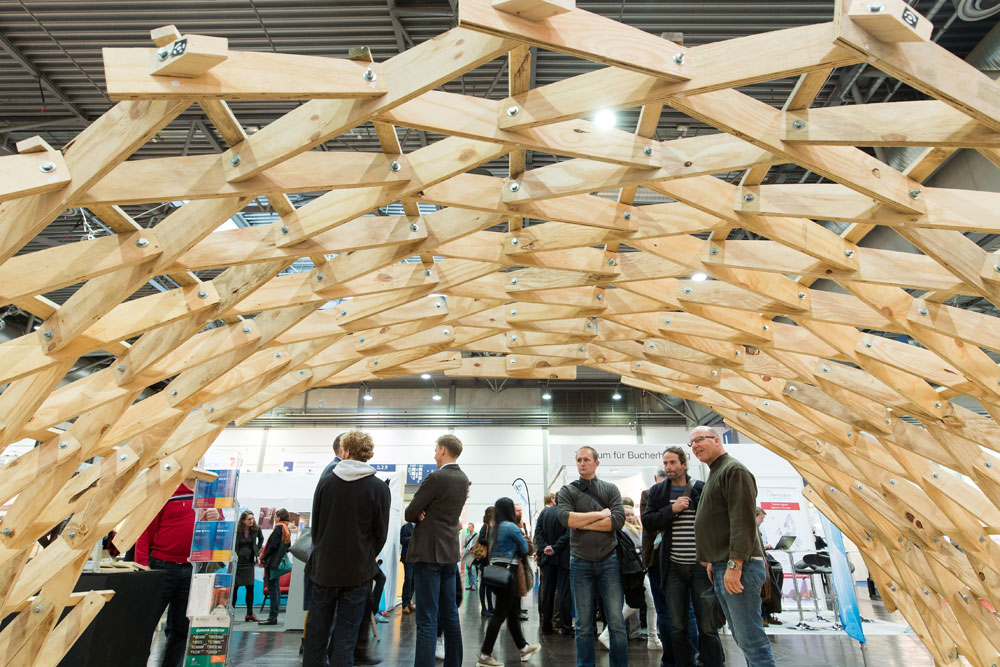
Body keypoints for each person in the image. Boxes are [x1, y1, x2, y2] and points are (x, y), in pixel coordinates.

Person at [303, 430, 391, 667]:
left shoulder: (326, 482)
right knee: (346, 637)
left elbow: (317, 526)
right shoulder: (379, 488)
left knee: (316, 634)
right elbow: (380, 534)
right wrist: (365, 554)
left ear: (346, 451)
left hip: (324, 569)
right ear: (367, 454)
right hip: (358, 572)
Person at [691, 426, 776, 667]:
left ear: (717, 441)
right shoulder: (716, 472)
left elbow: (742, 521)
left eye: (700, 439)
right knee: (743, 637)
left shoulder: (733, 470)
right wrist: (713, 560)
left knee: (751, 639)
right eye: (692, 443)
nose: (695, 446)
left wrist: (734, 563)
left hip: (740, 566)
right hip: (722, 564)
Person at [643, 447, 720, 667]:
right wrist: (672, 510)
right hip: (673, 566)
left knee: (707, 625)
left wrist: (712, 559)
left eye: (673, 463)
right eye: (666, 463)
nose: (669, 467)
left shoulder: (701, 489)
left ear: (684, 464)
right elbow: (649, 522)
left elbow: (715, 523)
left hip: (700, 565)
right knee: (678, 626)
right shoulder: (657, 492)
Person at [556, 446, 627, 667]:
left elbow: (617, 521)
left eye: (586, 459)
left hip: (609, 561)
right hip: (580, 562)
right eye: (578, 460)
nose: (582, 463)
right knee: (584, 625)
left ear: (596, 463)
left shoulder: (610, 489)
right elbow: (566, 520)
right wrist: (600, 515)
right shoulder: (567, 491)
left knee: (616, 623)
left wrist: (583, 523)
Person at [404, 434, 469, 667]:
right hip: (450, 554)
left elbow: (410, 512)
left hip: (429, 554)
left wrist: (422, 512)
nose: (433, 454)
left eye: (435, 449)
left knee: (427, 618)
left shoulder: (435, 478)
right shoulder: (463, 479)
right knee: (450, 614)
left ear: (443, 449)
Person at [136, 480, 195, 667]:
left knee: (181, 629)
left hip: (191, 568)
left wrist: (215, 517)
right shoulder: (168, 489)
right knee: (146, 624)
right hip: (162, 566)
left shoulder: (206, 494)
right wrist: (141, 563)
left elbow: (217, 529)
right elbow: (146, 528)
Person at [476, 497, 542, 667]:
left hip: (495, 572)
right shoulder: (511, 527)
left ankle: (523, 647)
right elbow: (526, 548)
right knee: (500, 615)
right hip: (509, 573)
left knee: (512, 613)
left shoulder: (494, 528)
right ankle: (485, 655)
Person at [598, 500, 659, 650]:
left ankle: (652, 637)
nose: (630, 517)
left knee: (645, 603)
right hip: (634, 571)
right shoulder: (624, 531)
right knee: (639, 603)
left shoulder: (637, 529)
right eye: (627, 515)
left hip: (638, 570)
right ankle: (608, 634)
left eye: (632, 514)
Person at [534, 492, 572, 636]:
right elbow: (568, 534)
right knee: (564, 593)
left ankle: (546, 625)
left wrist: (545, 547)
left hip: (547, 559)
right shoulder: (566, 514)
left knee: (547, 593)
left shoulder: (544, 513)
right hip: (562, 558)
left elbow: (538, 533)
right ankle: (566, 627)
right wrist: (555, 548)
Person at [258, 508, 292, 625]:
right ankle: (274, 615)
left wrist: (264, 556)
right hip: (277, 562)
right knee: (275, 588)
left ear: (279, 517)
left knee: (273, 589)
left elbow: (273, 545)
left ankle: (272, 617)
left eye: (276, 516)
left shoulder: (279, 528)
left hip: (271, 562)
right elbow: (288, 546)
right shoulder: (287, 528)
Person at [755, 507, 783, 627]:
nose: (762, 521)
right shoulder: (751, 527)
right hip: (757, 560)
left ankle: (768, 614)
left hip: (764, 559)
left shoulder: (759, 529)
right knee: (761, 589)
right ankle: (762, 616)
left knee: (771, 587)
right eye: (761, 518)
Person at [235, 510, 263, 622]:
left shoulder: (256, 529)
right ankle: (230, 613)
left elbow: (261, 539)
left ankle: (250, 614)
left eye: (252, 518)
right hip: (238, 562)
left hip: (249, 562)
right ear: (243, 521)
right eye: (249, 519)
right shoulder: (238, 531)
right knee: (235, 588)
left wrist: (257, 549)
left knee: (250, 587)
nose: (252, 521)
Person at [477, 507, 496, 617]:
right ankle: (484, 608)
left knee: (489, 584)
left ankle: (490, 607)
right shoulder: (486, 526)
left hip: (490, 559)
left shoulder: (493, 526)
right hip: (485, 560)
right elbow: (480, 539)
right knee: (484, 584)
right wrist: (490, 542)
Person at [401, 521, 416, 613]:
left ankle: (409, 601)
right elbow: (402, 541)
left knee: (414, 581)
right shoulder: (405, 527)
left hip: (417, 559)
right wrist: (414, 538)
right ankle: (405, 605)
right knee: (408, 580)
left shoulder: (421, 527)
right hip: (408, 558)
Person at [463, 523, 479, 591]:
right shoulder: (467, 536)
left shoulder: (477, 535)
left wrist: (473, 550)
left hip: (473, 554)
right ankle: (470, 584)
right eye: (468, 527)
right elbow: (465, 544)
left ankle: (474, 585)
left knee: (473, 569)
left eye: (470, 527)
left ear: (473, 527)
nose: (468, 528)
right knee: (469, 570)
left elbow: (478, 545)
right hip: (467, 554)